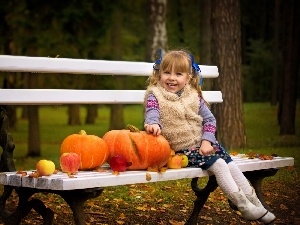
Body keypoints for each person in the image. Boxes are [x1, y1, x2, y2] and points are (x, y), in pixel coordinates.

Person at [143, 49, 275, 224]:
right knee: (220, 165)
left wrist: (207, 140)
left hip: (206, 145)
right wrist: (153, 124)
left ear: (188, 77)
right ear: (159, 74)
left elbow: (209, 119)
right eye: (167, 72)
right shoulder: (155, 94)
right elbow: (152, 111)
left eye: (178, 73)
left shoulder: (194, 95)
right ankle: (244, 207)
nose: (172, 78)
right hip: (183, 150)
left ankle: (256, 205)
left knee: (232, 166)